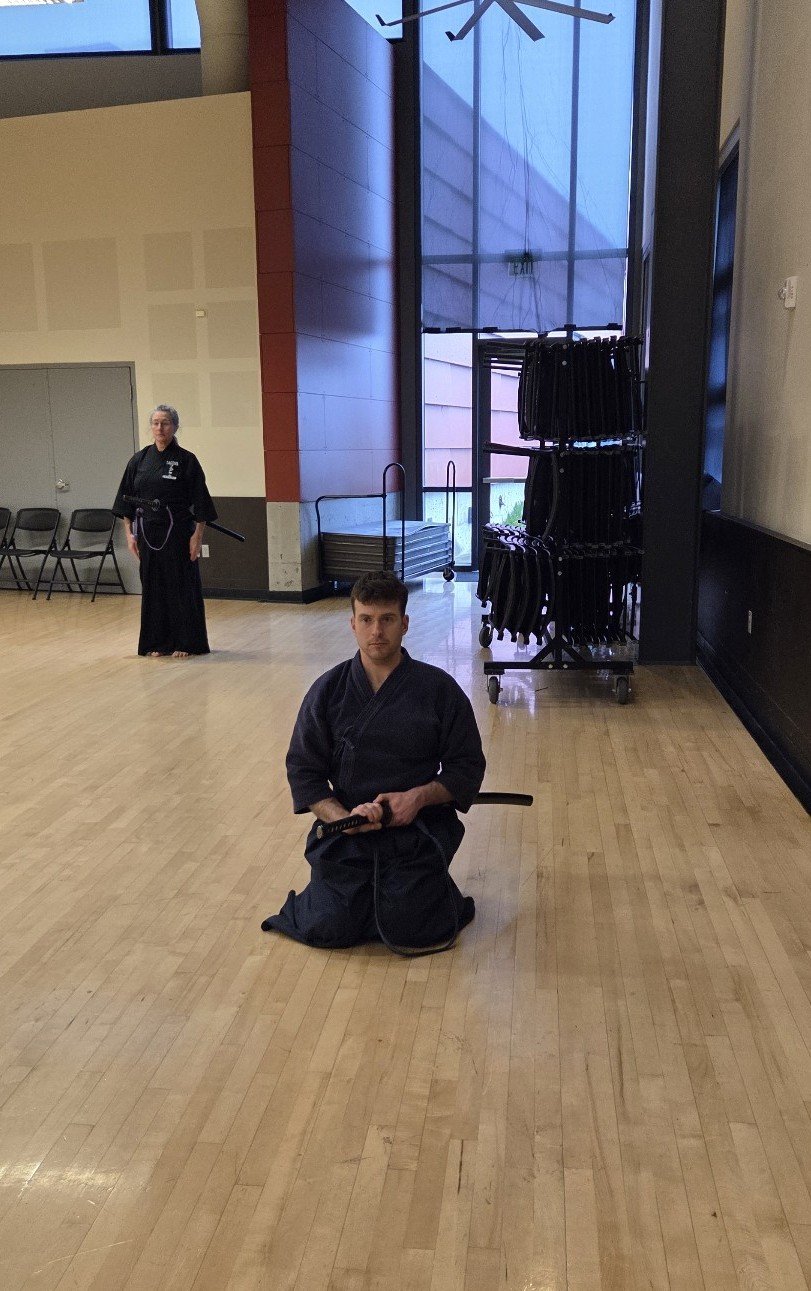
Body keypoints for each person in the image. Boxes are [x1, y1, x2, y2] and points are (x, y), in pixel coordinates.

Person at [261, 570, 486, 951]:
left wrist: (417, 798)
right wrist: (341, 818)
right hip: (347, 830)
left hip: (417, 829)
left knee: (415, 928)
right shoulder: (328, 690)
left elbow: (467, 766)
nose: (376, 631)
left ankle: (426, 892)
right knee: (330, 928)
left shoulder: (438, 690)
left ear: (405, 624)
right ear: (352, 624)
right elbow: (304, 771)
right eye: (366, 620)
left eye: (387, 619)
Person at [112, 405, 217, 658]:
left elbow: (201, 502)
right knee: (153, 586)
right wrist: (130, 533)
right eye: (156, 423)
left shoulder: (186, 460)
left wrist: (197, 536)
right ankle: (157, 642)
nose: (160, 428)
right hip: (148, 534)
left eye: (166, 423)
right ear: (151, 427)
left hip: (179, 533)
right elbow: (126, 500)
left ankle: (186, 642)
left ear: (175, 427)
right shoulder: (139, 460)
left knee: (180, 586)